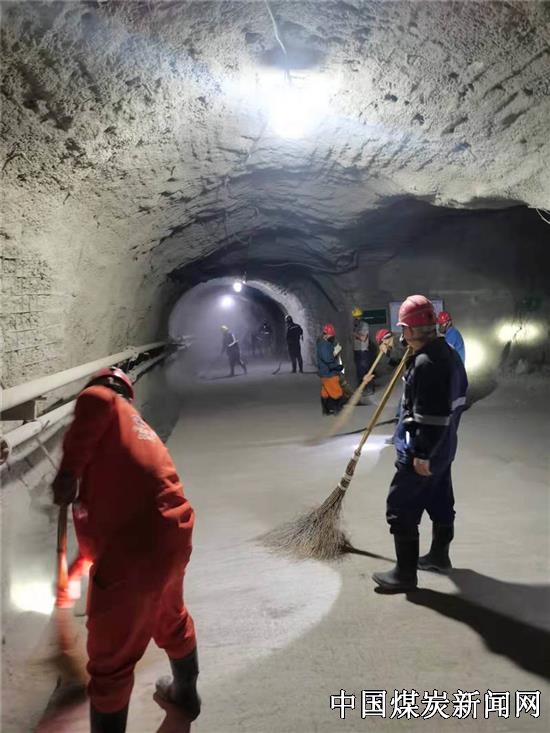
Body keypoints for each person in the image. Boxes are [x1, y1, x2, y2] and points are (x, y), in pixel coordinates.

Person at [51, 367, 200, 733]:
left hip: (136, 545)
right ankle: (185, 694)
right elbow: (101, 528)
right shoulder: (137, 431)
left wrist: (67, 475)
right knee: (170, 618)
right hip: (172, 533)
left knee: (111, 657)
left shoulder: (101, 398)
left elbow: (93, 406)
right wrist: (75, 572)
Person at [372, 295, 468, 592]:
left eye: (403, 329)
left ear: (411, 330)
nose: (402, 335)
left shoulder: (428, 363)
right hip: (445, 447)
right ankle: (439, 556)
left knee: (400, 507)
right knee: (440, 501)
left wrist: (421, 453)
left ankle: (404, 575)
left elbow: (432, 416)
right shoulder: (447, 354)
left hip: (423, 451)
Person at [316, 323, 345, 415]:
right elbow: (328, 359)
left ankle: (326, 410)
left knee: (325, 393)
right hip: (329, 373)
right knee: (337, 392)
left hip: (323, 372)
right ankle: (337, 409)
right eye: (331, 335)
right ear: (327, 334)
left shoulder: (322, 343)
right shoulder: (325, 345)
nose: (332, 337)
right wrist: (338, 367)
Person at [352, 308, 374, 393]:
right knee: (359, 371)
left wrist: (355, 334)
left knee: (365, 371)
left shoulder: (364, 325)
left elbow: (364, 338)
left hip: (363, 351)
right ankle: (362, 388)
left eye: (357, 317)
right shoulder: (355, 325)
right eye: (355, 317)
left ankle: (369, 388)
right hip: (357, 351)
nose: (356, 318)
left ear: (360, 316)